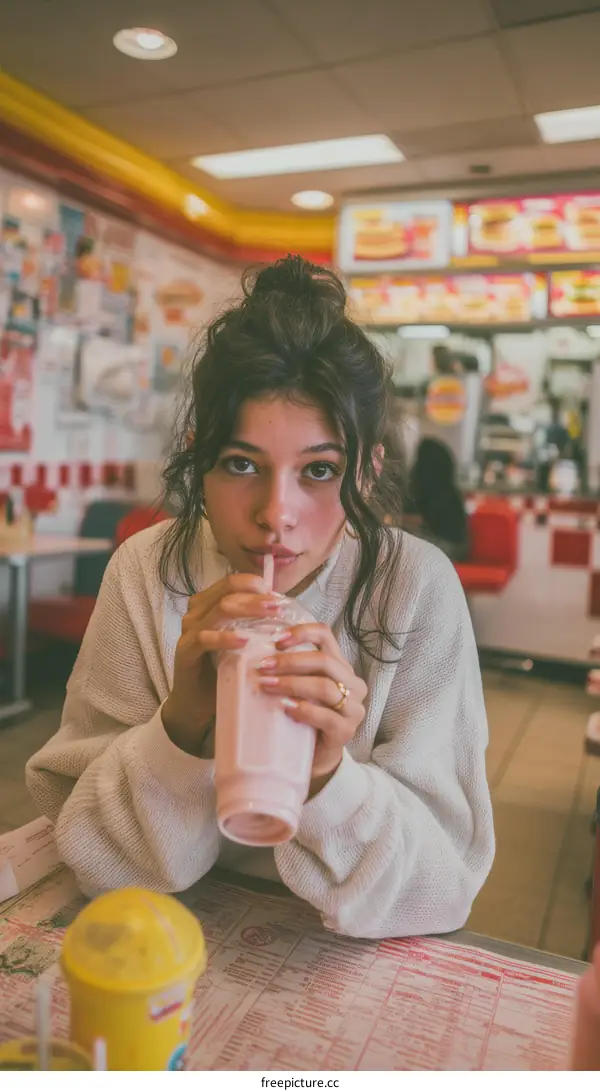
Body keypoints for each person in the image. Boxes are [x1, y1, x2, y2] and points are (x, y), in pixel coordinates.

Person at [26, 256, 494, 940]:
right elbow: (91, 853)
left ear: (365, 470)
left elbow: (445, 885)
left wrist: (329, 772)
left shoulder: (414, 588)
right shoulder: (147, 569)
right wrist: (181, 722)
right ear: (199, 457)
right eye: (241, 463)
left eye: (319, 470)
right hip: (168, 940)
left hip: (336, 957)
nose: (277, 514)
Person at [405, 438, 470, 562]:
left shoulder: (424, 488)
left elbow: (419, 520)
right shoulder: (448, 490)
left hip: (448, 548)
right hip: (457, 547)